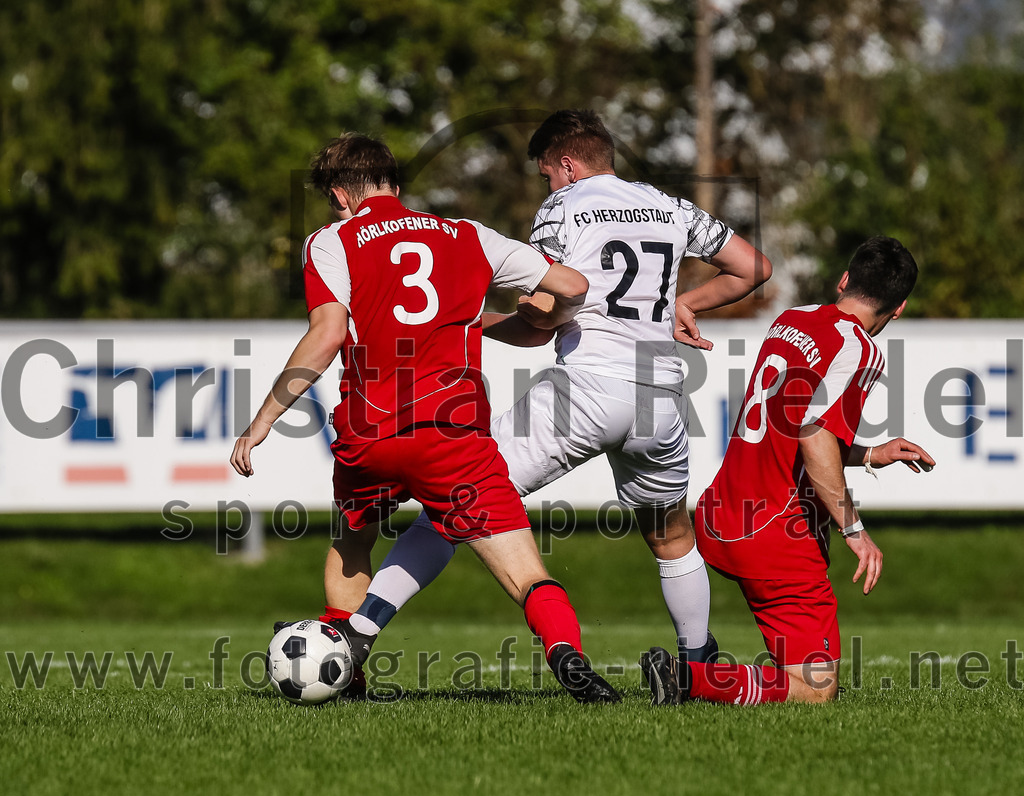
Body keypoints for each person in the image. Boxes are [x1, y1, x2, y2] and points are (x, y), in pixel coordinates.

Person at [317, 109, 773, 670]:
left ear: (568, 165)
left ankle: (357, 634)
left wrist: (479, 322)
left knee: (456, 500)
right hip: (659, 396)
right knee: (672, 536)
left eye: (547, 175)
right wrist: (685, 303)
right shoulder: (669, 206)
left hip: (585, 387)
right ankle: (698, 663)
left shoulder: (565, 206)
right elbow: (753, 267)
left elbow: (540, 319)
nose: (548, 186)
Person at [231, 133, 620, 704]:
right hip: (453, 434)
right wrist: (540, 320)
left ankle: (349, 676)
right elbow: (573, 286)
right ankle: (567, 654)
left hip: (371, 433)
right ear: (394, 182)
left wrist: (263, 419)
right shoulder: (469, 235)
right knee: (525, 572)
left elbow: (328, 333)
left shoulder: (332, 240)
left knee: (353, 541)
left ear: (339, 195)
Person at [640, 235, 936, 705]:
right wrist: (854, 529)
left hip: (719, 515)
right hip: (775, 535)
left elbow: (789, 423)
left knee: (799, 675)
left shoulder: (793, 319)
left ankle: (696, 656)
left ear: (844, 280)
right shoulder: (861, 349)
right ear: (898, 308)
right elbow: (813, 434)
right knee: (817, 690)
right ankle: (687, 678)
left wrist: (869, 454)